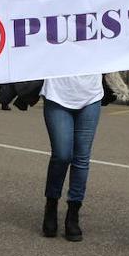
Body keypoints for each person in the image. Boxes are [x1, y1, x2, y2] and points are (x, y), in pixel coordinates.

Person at [41, 74, 105, 241]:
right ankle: (51, 204)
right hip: (57, 93)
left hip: (91, 95)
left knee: (81, 159)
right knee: (62, 155)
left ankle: (73, 213)